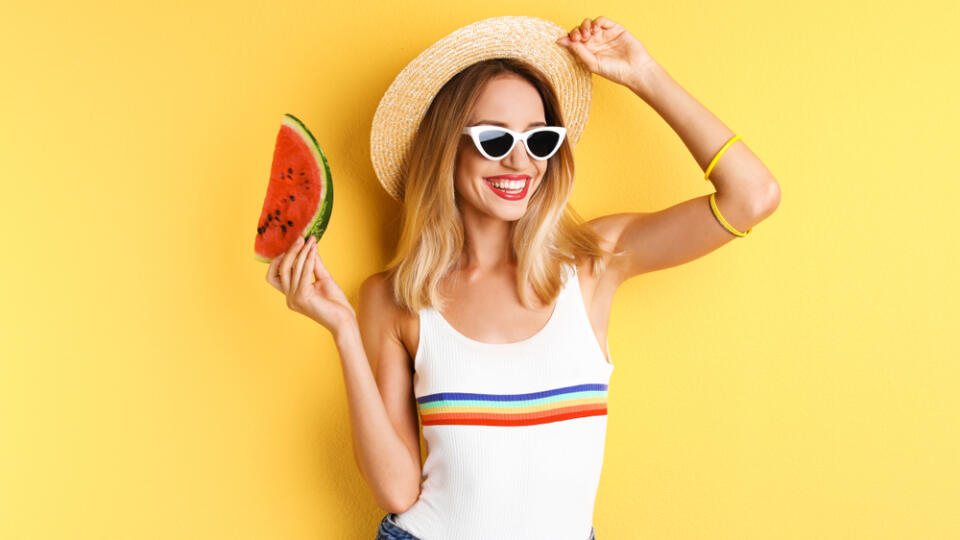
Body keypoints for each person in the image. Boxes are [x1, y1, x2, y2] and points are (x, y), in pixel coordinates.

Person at [266, 15, 780, 540]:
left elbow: (753, 196)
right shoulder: (394, 298)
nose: (520, 161)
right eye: (494, 139)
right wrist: (344, 332)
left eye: (539, 141)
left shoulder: (593, 264)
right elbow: (398, 493)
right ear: (448, 147)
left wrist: (643, 73)